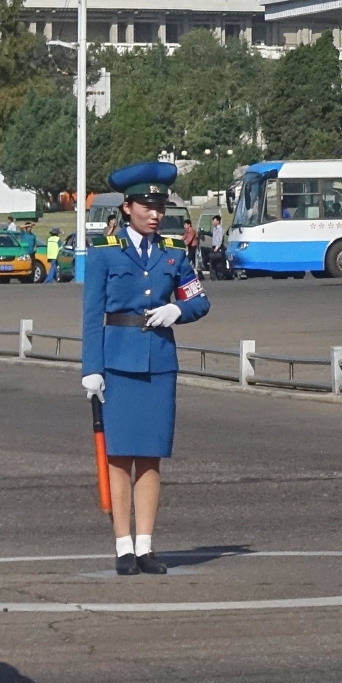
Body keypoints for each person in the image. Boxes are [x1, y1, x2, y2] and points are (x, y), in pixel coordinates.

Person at [81, 160, 211, 576]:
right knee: (119, 457)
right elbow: (91, 314)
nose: (155, 214)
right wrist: (92, 367)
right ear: (126, 209)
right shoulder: (104, 255)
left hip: (158, 362)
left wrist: (178, 308)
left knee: (151, 457)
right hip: (117, 361)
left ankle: (145, 546)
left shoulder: (173, 254)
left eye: (159, 207)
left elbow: (200, 299)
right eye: (146, 206)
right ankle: (122, 546)